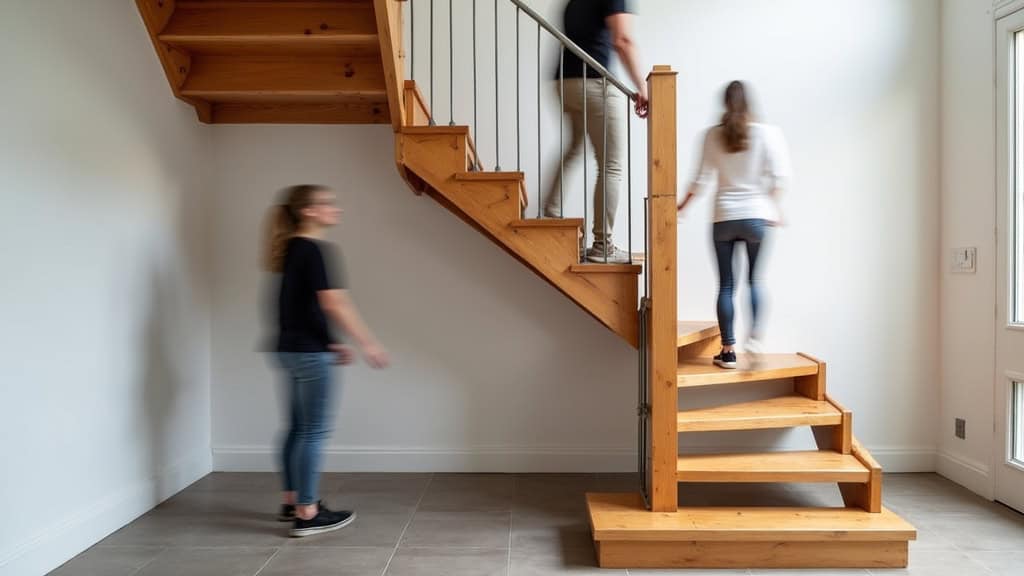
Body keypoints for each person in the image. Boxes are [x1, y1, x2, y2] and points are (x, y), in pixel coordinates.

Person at [263, 185, 389, 537]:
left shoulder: (291, 249)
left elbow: (299, 308)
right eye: (327, 204)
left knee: (295, 428)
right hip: (307, 353)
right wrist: (368, 343)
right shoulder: (315, 250)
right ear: (308, 211)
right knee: (313, 432)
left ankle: (292, 501)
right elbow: (334, 303)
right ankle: (307, 512)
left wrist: (330, 341)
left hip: (288, 349)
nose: (336, 209)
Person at [677, 81, 790, 369]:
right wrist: (774, 208)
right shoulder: (768, 134)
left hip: (723, 218)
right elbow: (780, 178)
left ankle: (728, 351)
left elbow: (699, 181)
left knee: (726, 284)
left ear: (724, 104)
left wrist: (681, 207)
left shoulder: (712, 136)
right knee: (754, 280)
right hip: (756, 218)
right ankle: (754, 339)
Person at [543, 0, 649, 263]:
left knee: (574, 146)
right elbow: (622, 40)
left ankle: (551, 212)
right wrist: (643, 88)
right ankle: (603, 245)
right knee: (611, 164)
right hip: (593, 83)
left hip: (564, 83)